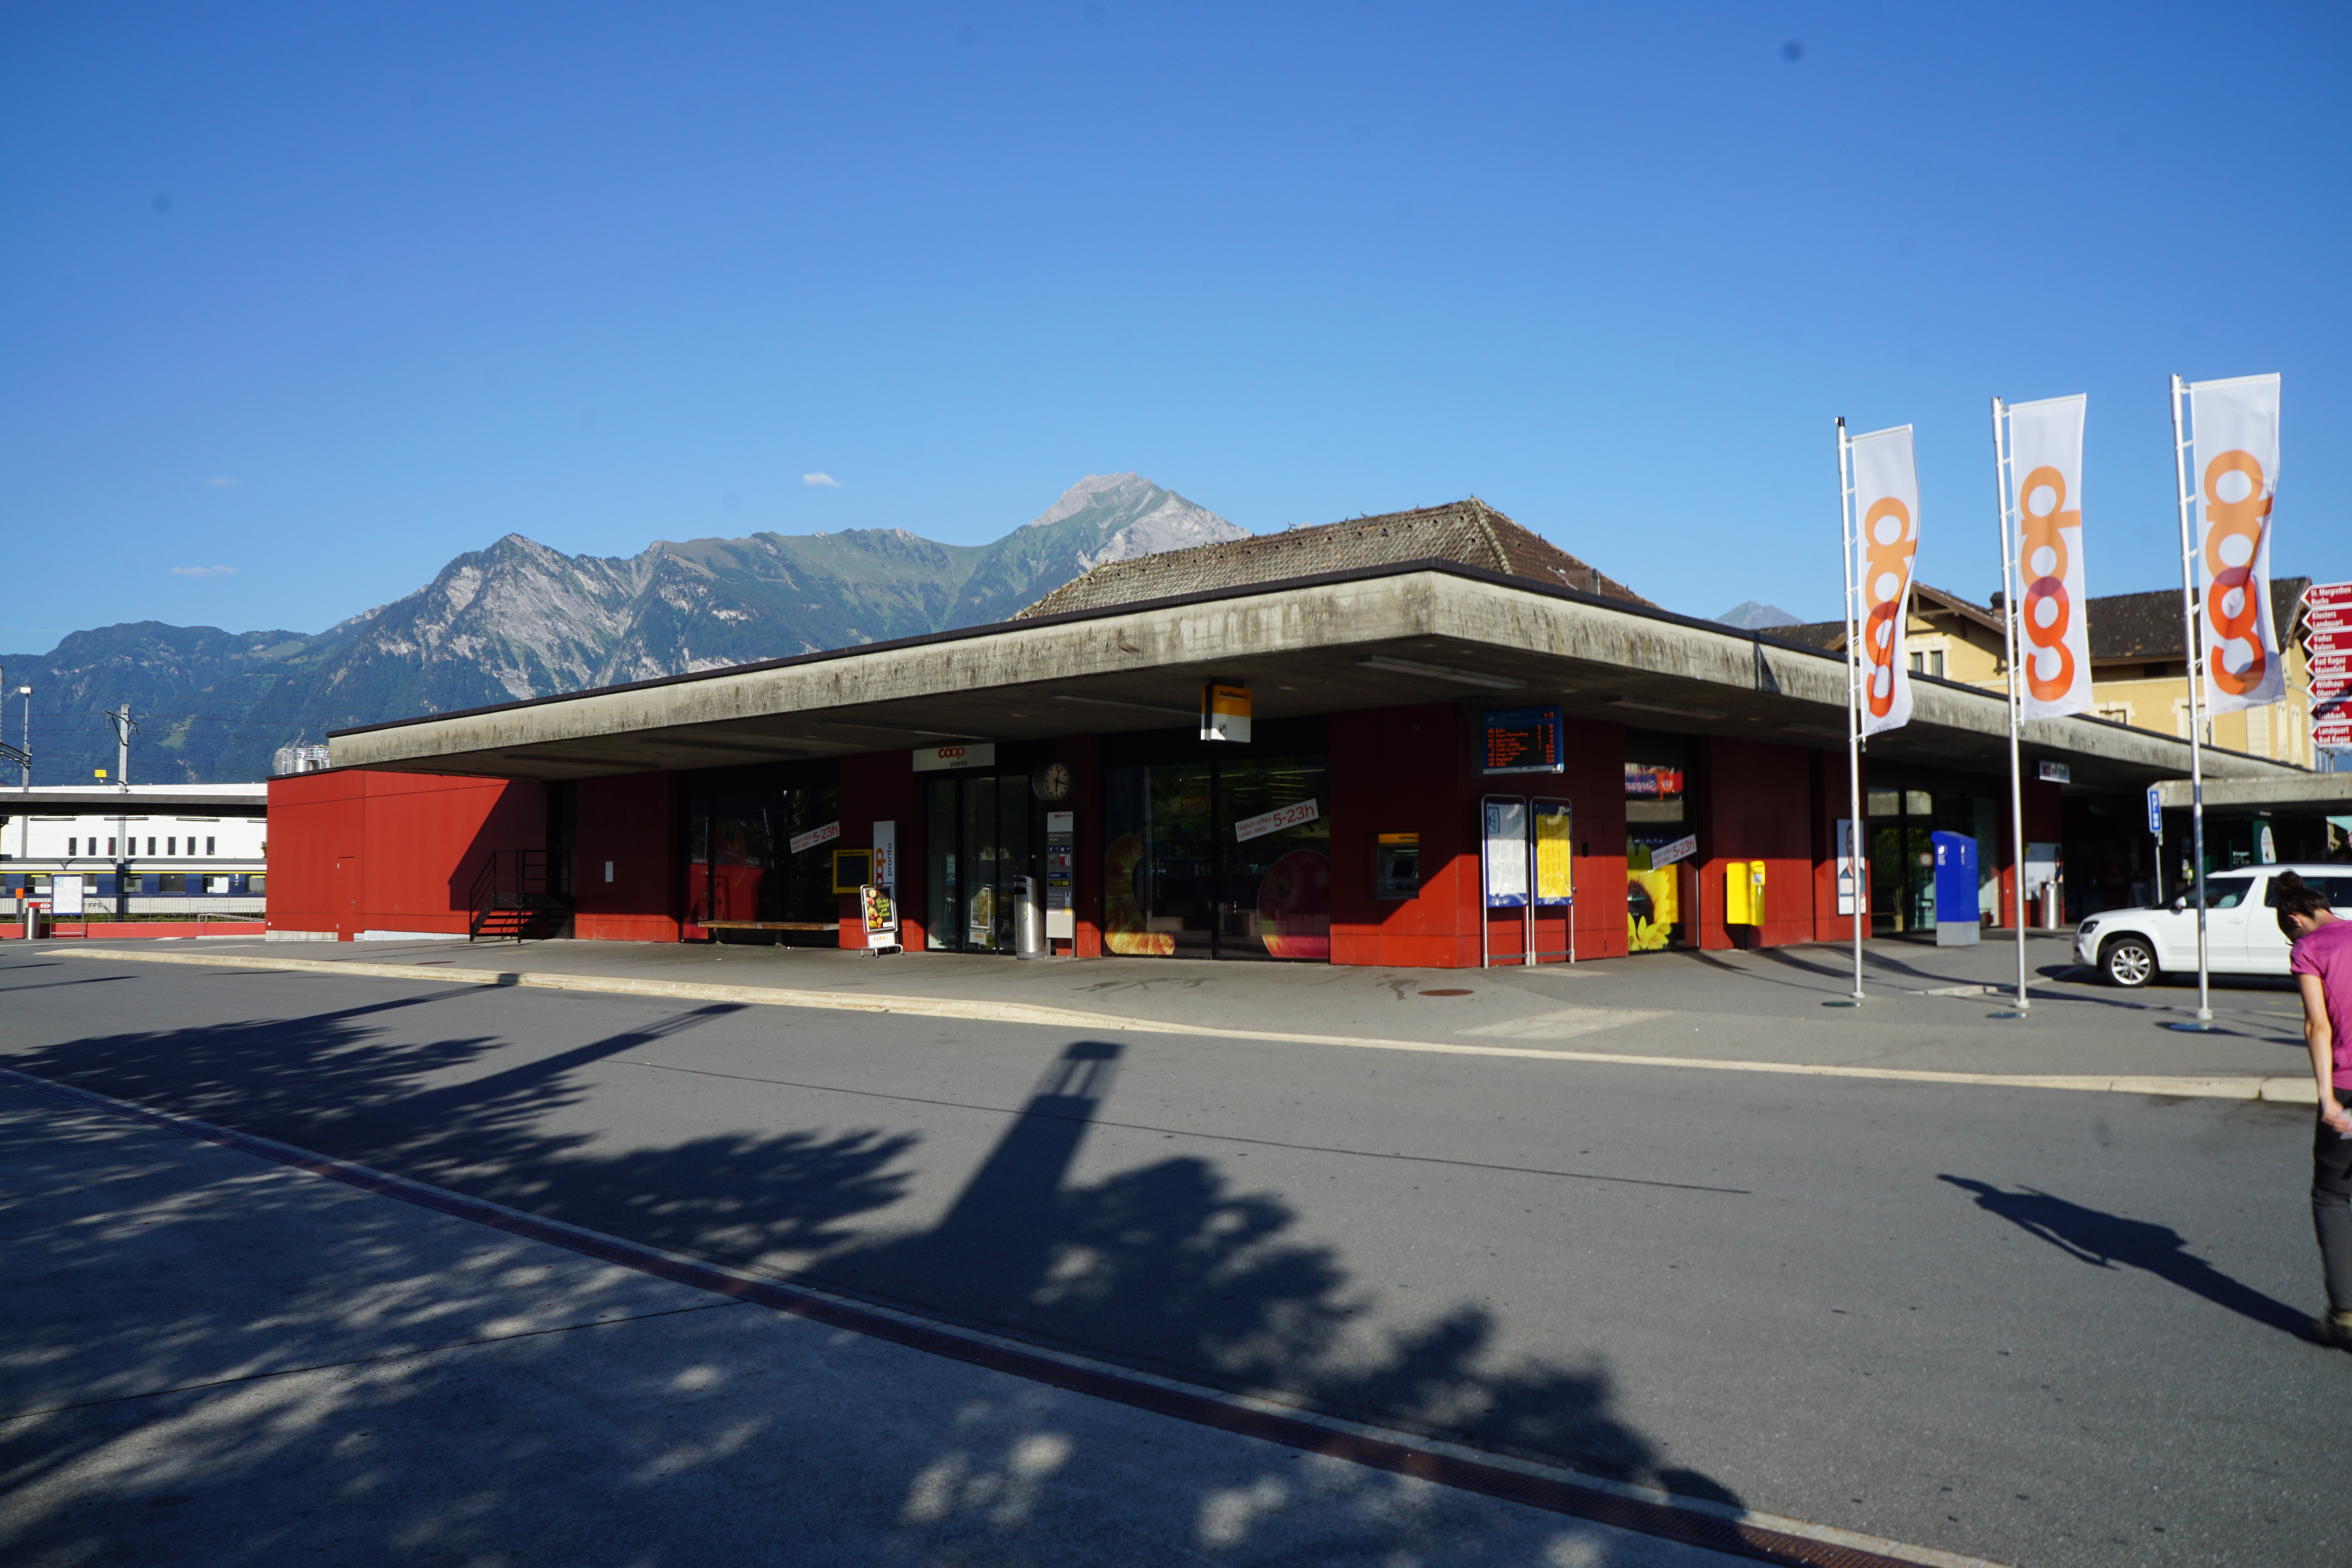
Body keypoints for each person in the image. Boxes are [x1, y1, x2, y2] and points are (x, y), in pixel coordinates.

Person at [2277, 870, 2352, 1347]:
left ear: (2296, 918)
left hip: (2348, 1085)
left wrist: (2327, 1096)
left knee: (2332, 1193)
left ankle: (2345, 1313)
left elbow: (2316, 1026)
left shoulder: (2309, 948)